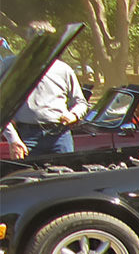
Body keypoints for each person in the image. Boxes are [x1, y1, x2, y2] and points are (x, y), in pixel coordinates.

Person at [1, 21, 88, 158]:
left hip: (60, 136)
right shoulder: (11, 65)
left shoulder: (63, 69)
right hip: (27, 137)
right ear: (29, 40)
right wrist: (13, 138)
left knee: (67, 177)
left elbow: (81, 102)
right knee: (28, 178)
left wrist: (74, 115)